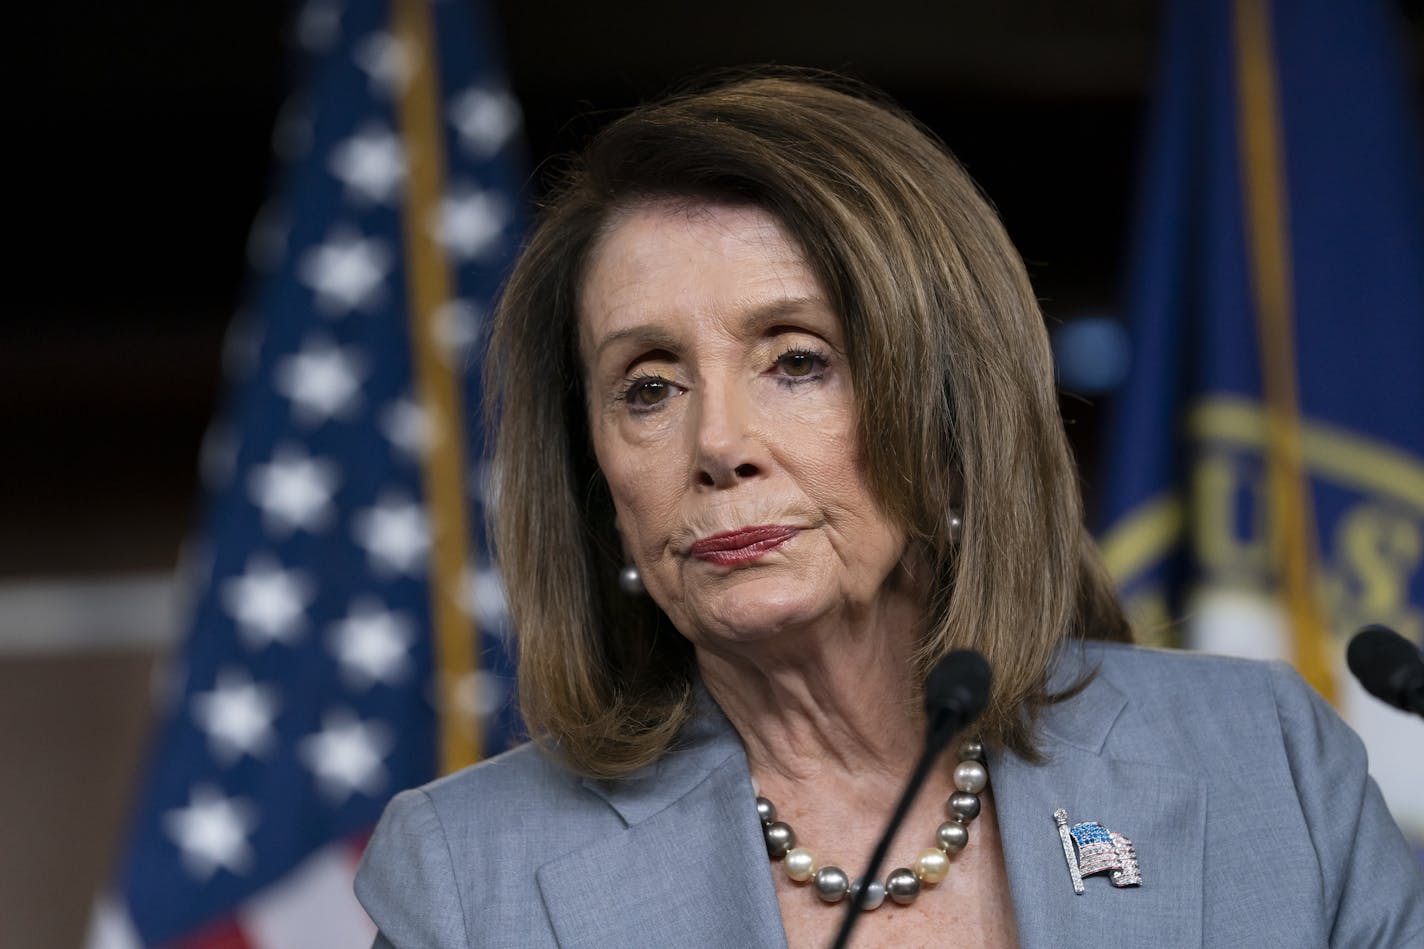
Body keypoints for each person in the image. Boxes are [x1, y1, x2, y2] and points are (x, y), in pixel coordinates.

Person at [354, 73, 1424, 948]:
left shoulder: (1263, 762)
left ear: (950, 409)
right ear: (595, 482)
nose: (718, 444)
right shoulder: (467, 877)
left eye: (797, 361)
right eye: (647, 386)